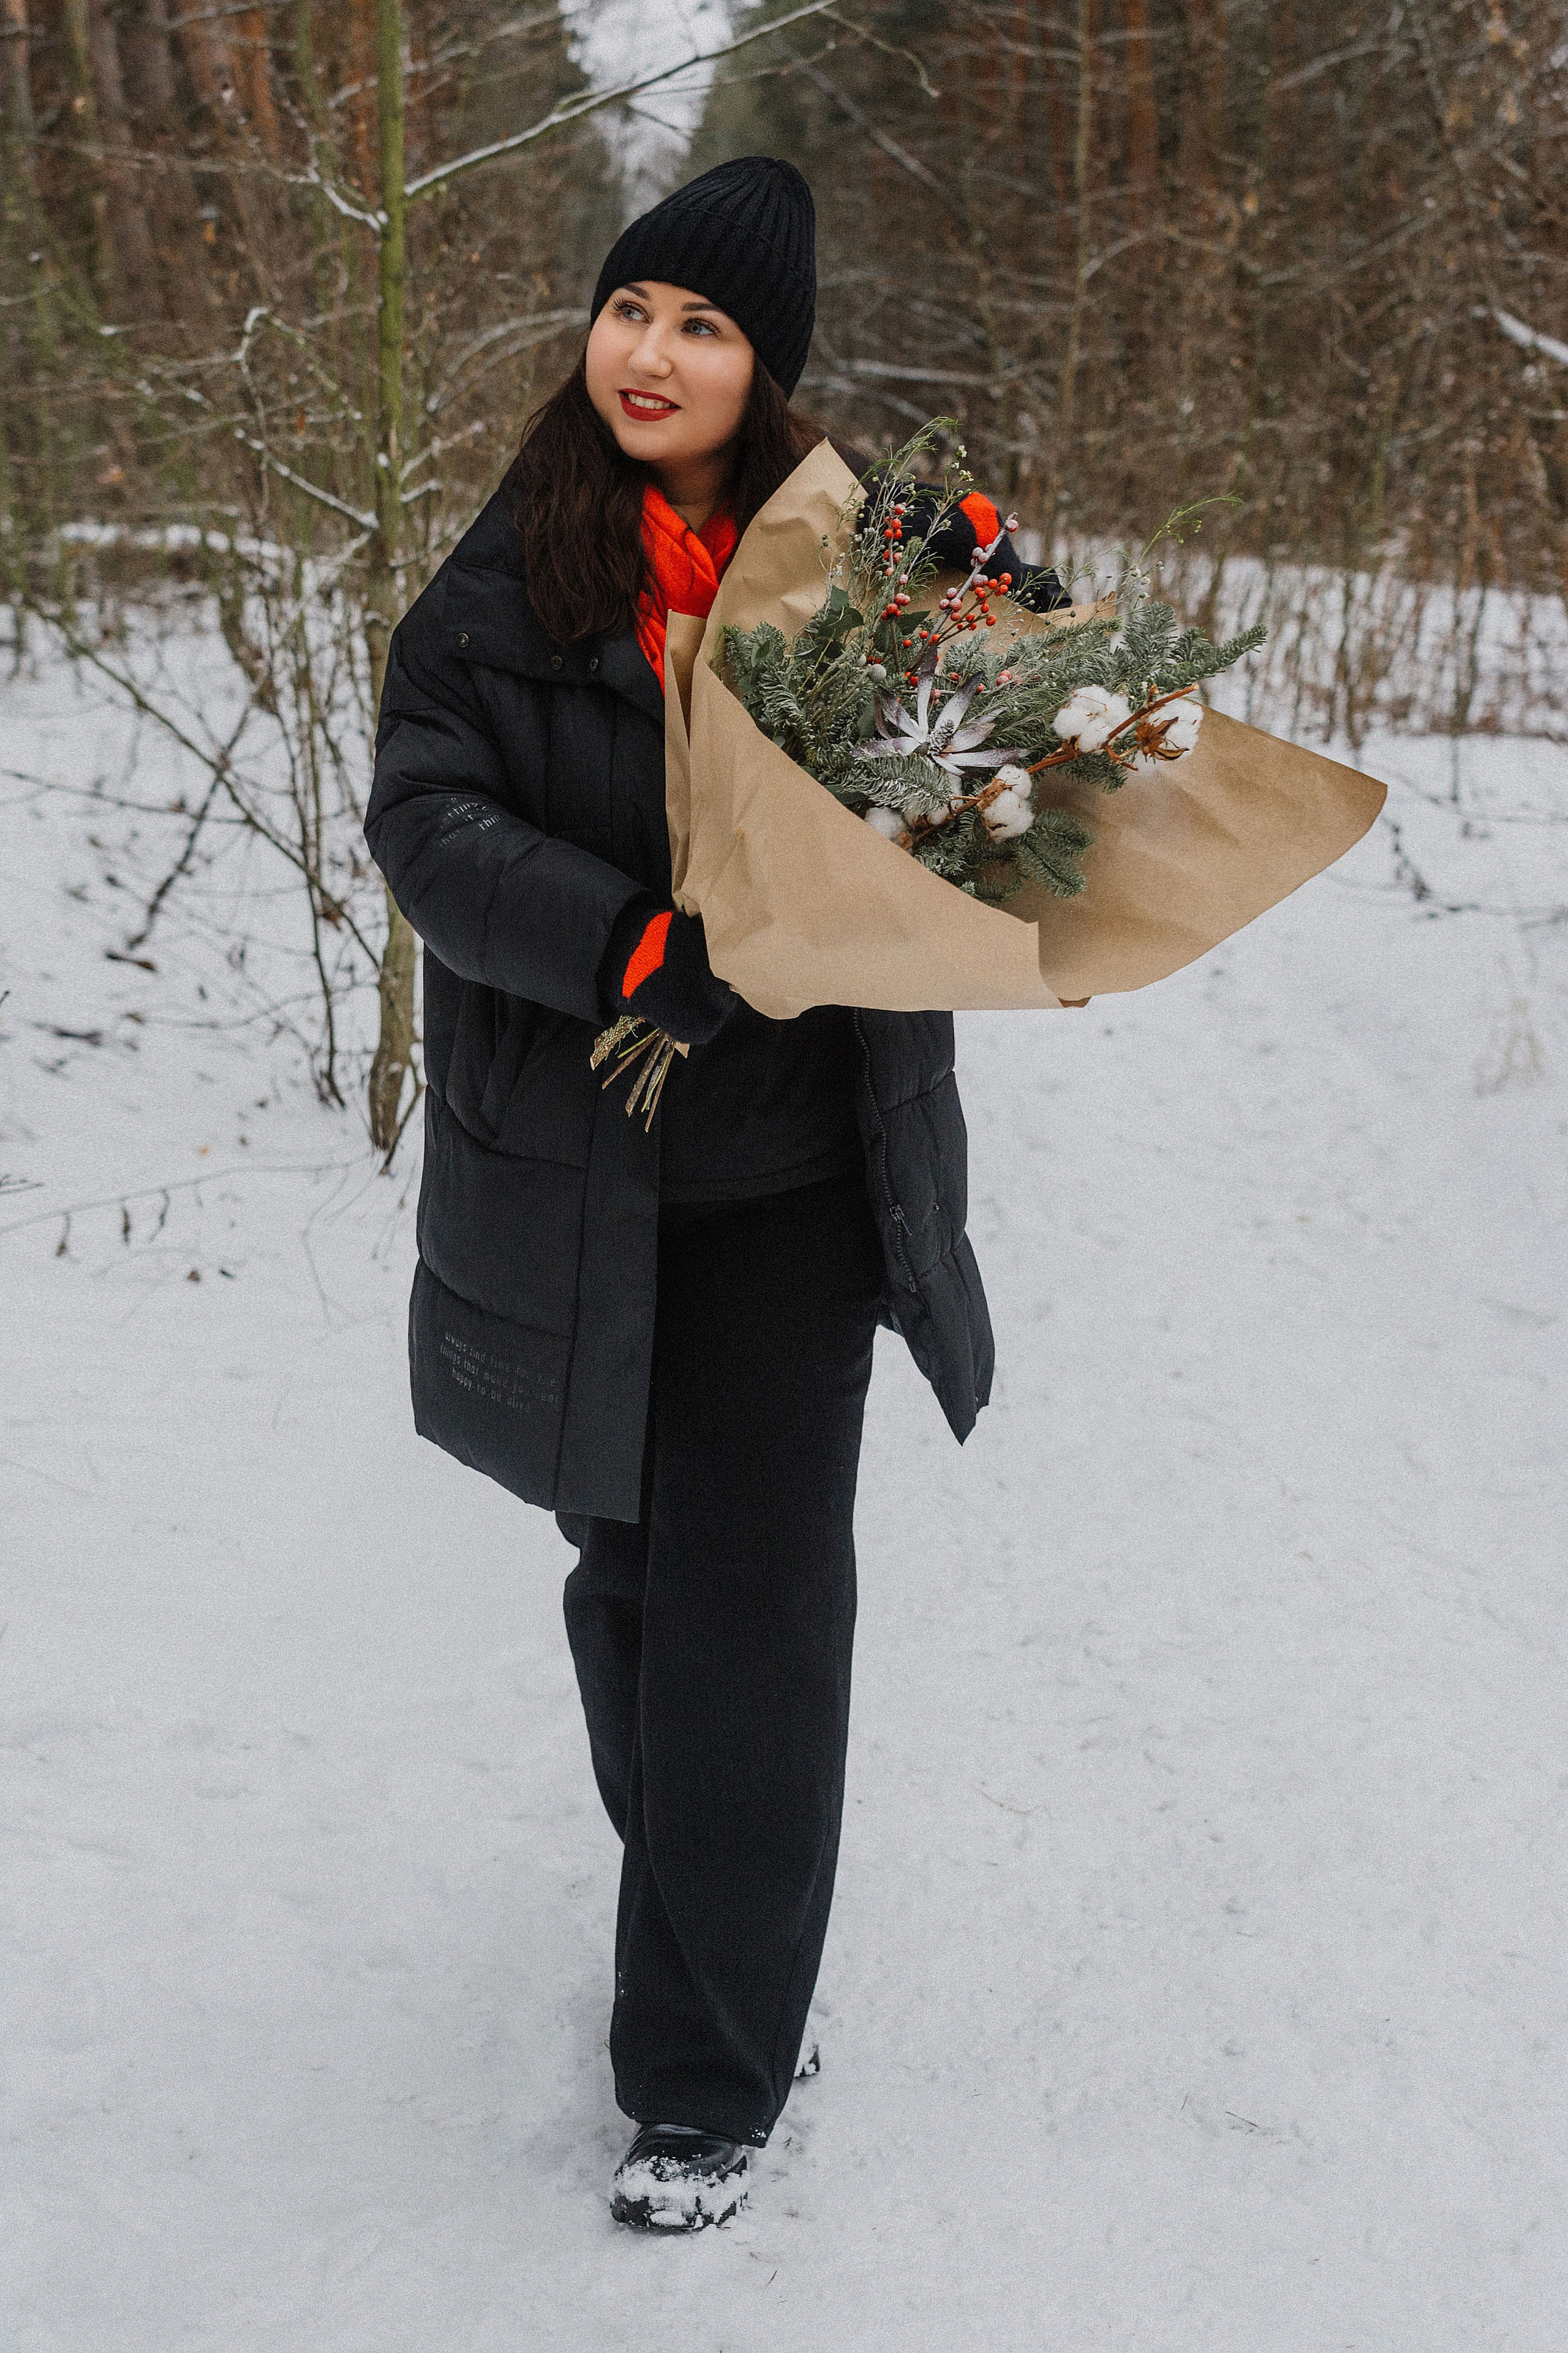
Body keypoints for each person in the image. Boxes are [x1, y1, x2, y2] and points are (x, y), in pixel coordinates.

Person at [364, 156, 1066, 2232]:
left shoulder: (849, 554)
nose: (652, 354)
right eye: (632, 309)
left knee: (754, 1620)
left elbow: (1042, 732)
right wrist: (623, 944)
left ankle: (710, 2065)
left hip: (791, 1185)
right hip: (581, 1186)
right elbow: (424, 817)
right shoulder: (511, 572)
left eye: (704, 325)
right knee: (631, 1599)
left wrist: (1004, 588)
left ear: (769, 367)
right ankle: (722, 1922)